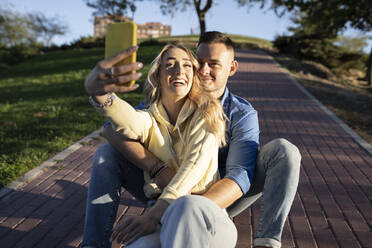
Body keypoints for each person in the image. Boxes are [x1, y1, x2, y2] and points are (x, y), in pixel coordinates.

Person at [82, 31, 301, 248]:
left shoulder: (234, 113)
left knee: (284, 151)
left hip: (217, 197)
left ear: (231, 68)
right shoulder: (161, 105)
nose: (203, 71)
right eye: (199, 63)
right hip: (167, 191)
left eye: (213, 64)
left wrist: (177, 208)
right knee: (106, 153)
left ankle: (266, 243)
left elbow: (238, 177)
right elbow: (114, 128)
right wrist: (101, 95)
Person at [83, 43, 234, 248]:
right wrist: (101, 95)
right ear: (158, 76)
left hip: (204, 217)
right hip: (163, 219)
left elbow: (193, 168)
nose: (179, 70)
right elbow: (129, 122)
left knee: (186, 204)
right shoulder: (150, 118)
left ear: (194, 75)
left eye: (187, 65)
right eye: (170, 65)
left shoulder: (208, 114)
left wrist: (151, 216)